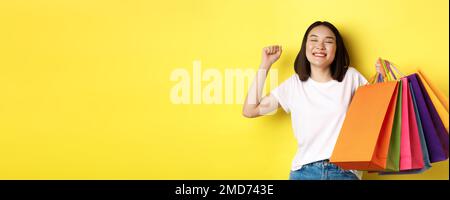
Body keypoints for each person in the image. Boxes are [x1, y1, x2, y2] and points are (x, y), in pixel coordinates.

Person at [242, 21, 368, 180]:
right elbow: (250, 110)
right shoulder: (293, 85)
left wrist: (382, 78)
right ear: (305, 46)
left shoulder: (351, 77)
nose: (320, 46)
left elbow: (378, 112)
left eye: (328, 41)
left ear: (337, 49)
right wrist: (265, 65)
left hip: (343, 172)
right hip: (304, 173)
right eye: (314, 40)